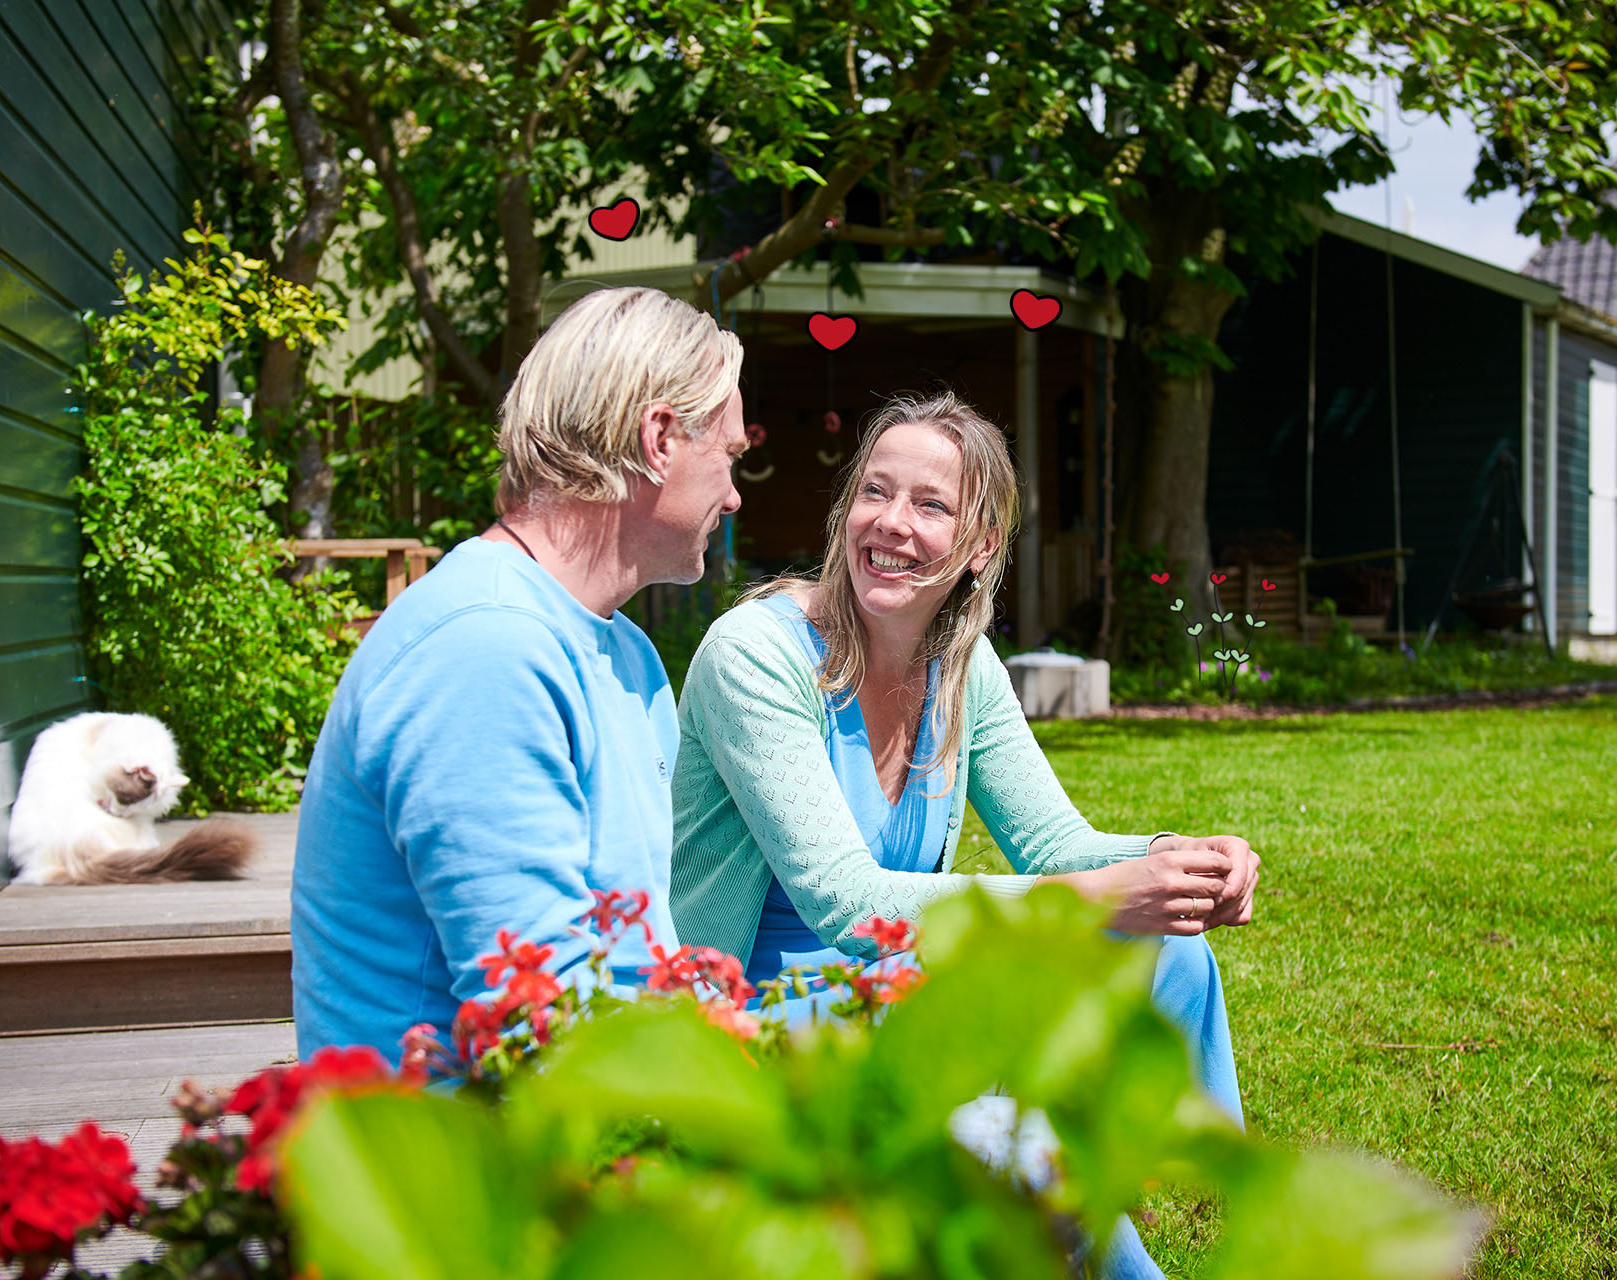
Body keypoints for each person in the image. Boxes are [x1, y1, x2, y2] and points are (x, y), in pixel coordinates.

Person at [669, 391, 1259, 1277]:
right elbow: (849, 904)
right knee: (1025, 1161)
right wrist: (1106, 896)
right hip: (766, 1016)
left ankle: (1171, 1170)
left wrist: (1175, 863)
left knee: (1172, 953)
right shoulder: (756, 655)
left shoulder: (960, 663)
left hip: (906, 991)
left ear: (980, 548)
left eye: (930, 505)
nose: (892, 523)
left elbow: (1056, 844)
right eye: (875, 493)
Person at [291, 287, 748, 1062]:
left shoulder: (625, 655)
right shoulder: (485, 651)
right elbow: (538, 1016)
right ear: (660, 438)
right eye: (729, 456)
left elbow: (638, 959)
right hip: (462, 1161)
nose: (734, 495)